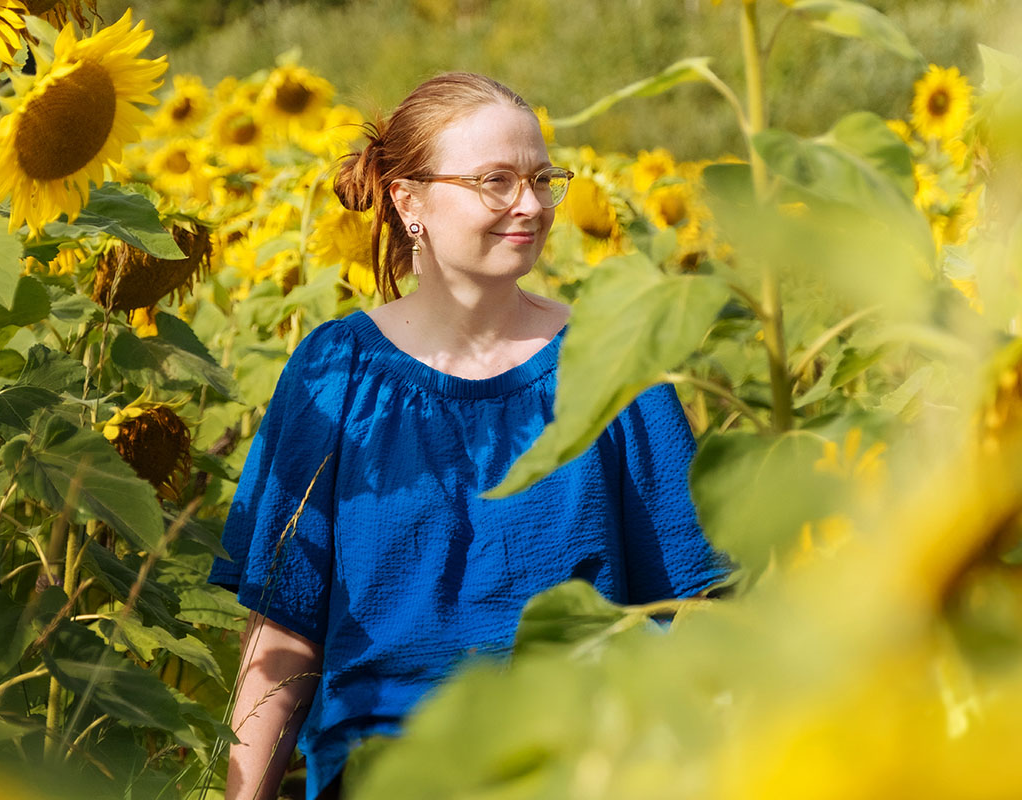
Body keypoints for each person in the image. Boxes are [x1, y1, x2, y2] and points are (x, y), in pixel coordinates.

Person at [209, 72, 729, 800]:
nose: (532, 205)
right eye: (496, 181)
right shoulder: (335, 373)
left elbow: (695, 614)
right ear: (408, 199)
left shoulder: (615, 365)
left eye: (542, 179)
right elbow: (284, 640)